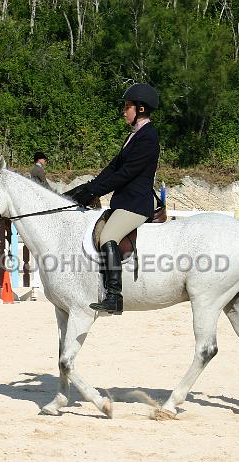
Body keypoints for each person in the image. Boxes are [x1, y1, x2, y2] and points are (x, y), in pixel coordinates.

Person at [66, 83, 161, 315]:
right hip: (125, 202)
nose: (123, 111)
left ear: (140, 109)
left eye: (127, 107)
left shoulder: (148, 137)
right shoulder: (134, 136)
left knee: (108, 235)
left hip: (136, 204)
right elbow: (113, 167)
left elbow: (126, 174)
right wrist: (88, 188)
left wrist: (95, 191)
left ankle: (114, 296)